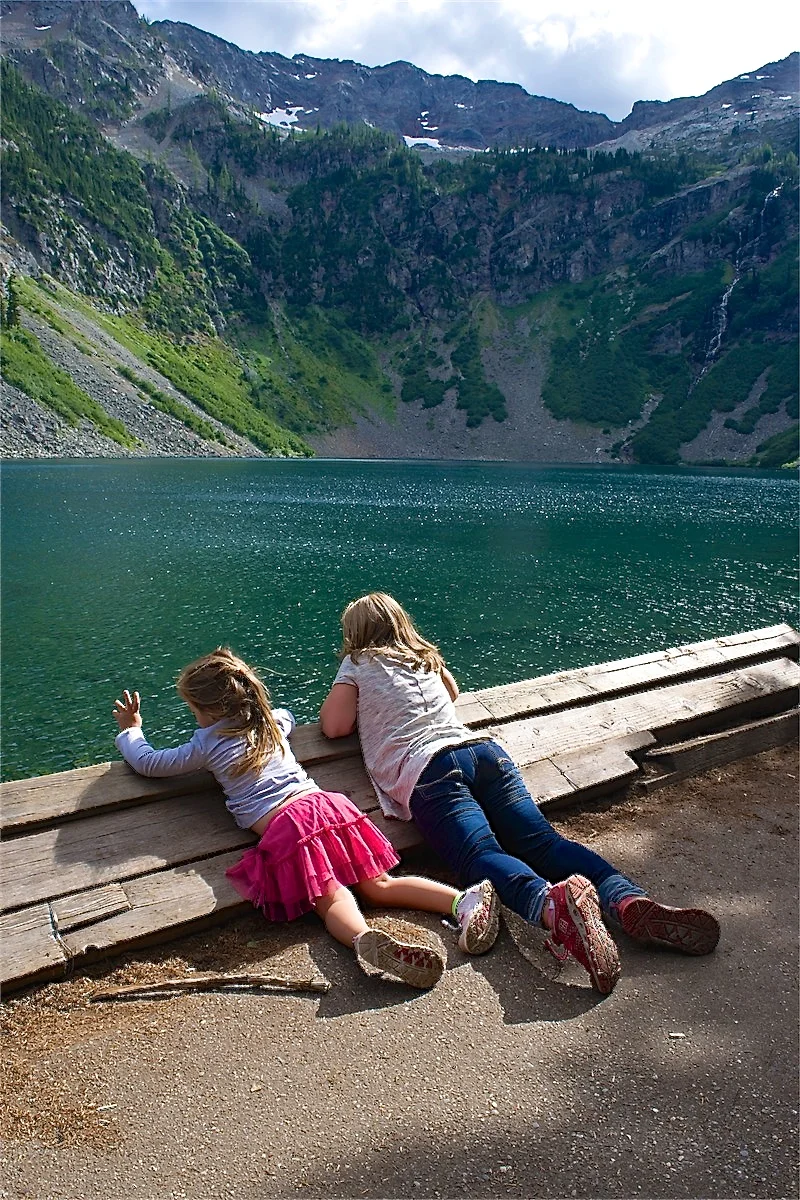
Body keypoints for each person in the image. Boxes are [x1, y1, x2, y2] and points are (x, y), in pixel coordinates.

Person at [319, 593, 721, 995]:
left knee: (479, 854)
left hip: (431, 769)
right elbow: (453, 693)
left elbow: (334, 726)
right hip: (486, 754)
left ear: (355, 634)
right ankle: (626, 899)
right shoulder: (426, 657)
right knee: (544, 843)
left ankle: (552, 906)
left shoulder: (357, 664)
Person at [113, 647, 499, 992]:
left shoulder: (206, 743)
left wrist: (132, 732)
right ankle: (464, 902)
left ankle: (364, 938)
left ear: (211, 711)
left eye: (195, 711)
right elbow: (286, 715)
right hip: (327, 807)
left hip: (289, 828)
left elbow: (150, 763)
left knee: (330, 898)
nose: (196, 720)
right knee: (380, 885)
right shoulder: (268, 724)